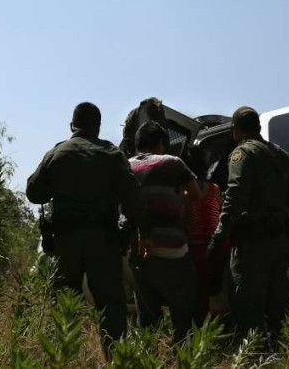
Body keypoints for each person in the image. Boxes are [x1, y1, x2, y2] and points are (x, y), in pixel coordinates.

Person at [26, 102, 151, 357]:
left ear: (72, 126)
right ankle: (116, 360)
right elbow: (135, 202)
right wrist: (128, 231)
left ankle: (63, 360)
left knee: (64, 308)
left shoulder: (57, 153)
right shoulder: (111, 154)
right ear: (98, 127)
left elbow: (34, 192)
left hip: (64, 243)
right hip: (102, 242)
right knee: (112, 309)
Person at [207, 106, 289, 338]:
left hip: (252, 244)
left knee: (246, 308)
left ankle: (250, 359)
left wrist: (218, 238)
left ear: (235, 129)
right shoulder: (281, 154)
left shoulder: (242, 154)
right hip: (279, 241)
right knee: (276, 308)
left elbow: (234, 199)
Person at [128, 120, 204, 343]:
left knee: (147, 314)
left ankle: (149, 356)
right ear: (161, 143)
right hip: (173, 250)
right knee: (183, 309)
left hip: (139, 249)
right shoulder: (173, 163)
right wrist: (176, 199)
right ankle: (182, 354)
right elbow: (197, 194)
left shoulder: (125, 166)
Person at [183, 145, 224, 324]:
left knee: (191, 299)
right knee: (204, 296)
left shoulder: (185, 193)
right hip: (215, 249)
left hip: (193, 250)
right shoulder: (215, 189)